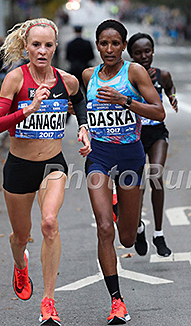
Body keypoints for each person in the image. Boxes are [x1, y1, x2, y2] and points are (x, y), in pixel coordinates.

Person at [0, 18, 90, 326]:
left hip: (52, 165)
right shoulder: (15, 80)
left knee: (49, 223)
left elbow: (80, 100)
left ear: (55, 46)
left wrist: (83, 128)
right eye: (36, 45)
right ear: (26, 47)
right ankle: (20, 263)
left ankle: (48, 301)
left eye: (48, 45)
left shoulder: (67, 80)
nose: (42, 51)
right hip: (19, 167)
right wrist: (27, 110)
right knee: (22, 236)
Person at [82, 19, 165, 324]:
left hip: (130, 157)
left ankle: (124, 212)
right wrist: (83, 132)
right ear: (97, 45)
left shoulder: (134, 72)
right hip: (99, 157)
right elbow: (80, 112)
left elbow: (158, 111)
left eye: (115, 43)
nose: (109, 49)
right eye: (104, 43)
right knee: (105, 229)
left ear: (123, 45)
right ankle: (116, 301)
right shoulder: (89, 76)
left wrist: (125, 101)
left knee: (127, 238)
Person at [127, 32, 178, 258]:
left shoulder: (162, 74)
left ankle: (159, 234)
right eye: (138, 53)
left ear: (153, 51)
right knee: (135, 183)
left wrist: (172, 96)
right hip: (134, 134)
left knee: (155, 175)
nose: (143, 56)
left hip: (156, 132)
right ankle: (139, 228)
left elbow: (169, 88)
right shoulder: (127, 76)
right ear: (130, 55)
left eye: (147, 51)